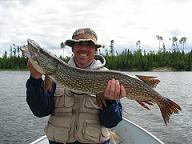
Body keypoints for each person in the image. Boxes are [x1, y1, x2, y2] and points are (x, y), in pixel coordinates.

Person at [26, 28, 127, 144]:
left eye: (89, 44)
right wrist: (35, 79)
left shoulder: (110, 79)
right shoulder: (55, 76)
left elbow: (110, 122)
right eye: (79, 44)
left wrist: (110, 102)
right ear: (73, 48)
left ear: (95, 50)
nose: (83, 48)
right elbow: (40, 111)